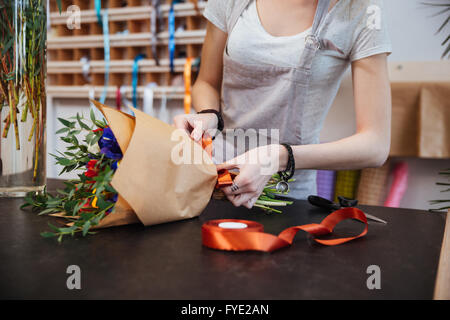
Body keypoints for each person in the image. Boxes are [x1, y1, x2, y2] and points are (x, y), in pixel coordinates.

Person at [173, 0, 392, 209]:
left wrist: (278, 157)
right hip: (214, 182)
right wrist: (209, 115)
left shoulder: (362, 10)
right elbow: (205, 83)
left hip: (287, 197)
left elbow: (375, 146)